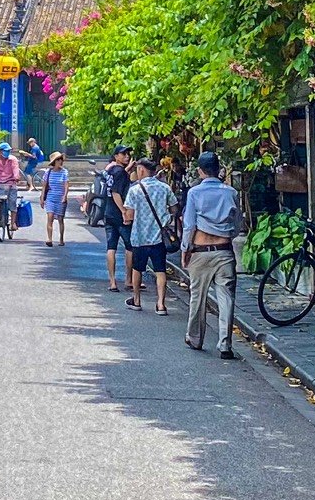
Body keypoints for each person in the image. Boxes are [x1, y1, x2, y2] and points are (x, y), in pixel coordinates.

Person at [182, 150, 241, 358]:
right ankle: (225, 344)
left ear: (200, 171)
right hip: (224, 251)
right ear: (219, 170)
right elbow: (237, 225)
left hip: (200, 251)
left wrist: (185, 249)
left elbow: (189, 225)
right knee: (226, 298)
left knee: (197, 297)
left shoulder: (194, 193)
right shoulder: (231, 193)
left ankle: (195, 338)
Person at [125, 159, 173, 314]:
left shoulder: (134, 190)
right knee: (160, 270)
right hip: (159, 238)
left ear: (141, 170)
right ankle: (161, 304)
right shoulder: (165, 188)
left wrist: (128, 218)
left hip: (140, 237)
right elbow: (174, 208)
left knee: (137, 269)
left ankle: (137, 300)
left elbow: (130, 215)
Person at [93, 150, 135, 289]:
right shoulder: (120, 172)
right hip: (119, 214)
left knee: (111, 247)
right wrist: (123, 211)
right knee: (130, 246)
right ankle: (128, 279)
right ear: (116, 156)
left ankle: (112, 282)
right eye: (124, 154)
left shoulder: (111, 171)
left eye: (128, 154)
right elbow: (116, 193)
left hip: (108, 212)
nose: (127, 156)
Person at [40, 154, 72, 245]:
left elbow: (66, 185)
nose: (60, 161)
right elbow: (44, 186)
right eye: (58, 160)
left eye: (61, 159)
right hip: (50, 198)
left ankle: (61, 239)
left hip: (60, 198)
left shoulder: (64, 172)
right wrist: (42, 198)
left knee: (60, 219)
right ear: (54, 162)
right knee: (50, 217)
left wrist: (65, 196)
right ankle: (49, 239)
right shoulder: (48, 172)